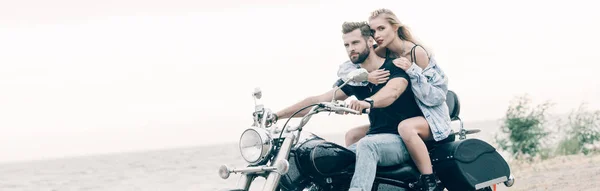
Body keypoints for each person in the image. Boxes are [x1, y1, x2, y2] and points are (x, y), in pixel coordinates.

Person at [274, 21, 423, 191]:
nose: (351, 48)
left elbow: (392, 92)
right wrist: (276, 115)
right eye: (347, 44)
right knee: (335, 158)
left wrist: (368, 102)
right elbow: (320, 98)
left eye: (355, 42)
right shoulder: (357, 79)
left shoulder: (393, 66)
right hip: (375, 137)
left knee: (366, 145)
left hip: (401, 139)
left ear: (369, 41)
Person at [339, 8, 451, 191]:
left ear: (395, 27)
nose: (377, 35)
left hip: (429, 117)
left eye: (381, 28)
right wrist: (366, 76)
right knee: (353, 135)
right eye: (373, 31)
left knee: (405, 127)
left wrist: (412, 71)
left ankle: (429, 180)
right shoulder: (382, 51)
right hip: (402, 117)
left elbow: (436, 96)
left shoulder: (416, 53)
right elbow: (346, 68)